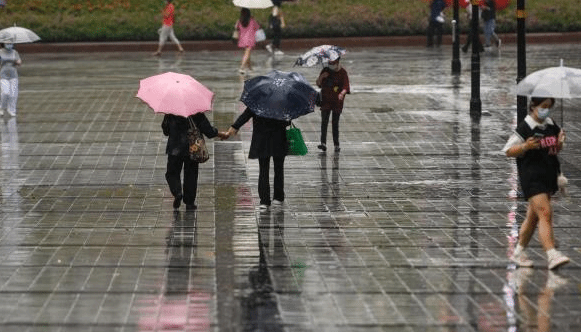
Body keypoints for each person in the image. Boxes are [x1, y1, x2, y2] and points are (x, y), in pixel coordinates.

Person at [502, 97, 570, 270]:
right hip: (532, 178)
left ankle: (518, 252)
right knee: (546, 213)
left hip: (547, 176)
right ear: (533, 106)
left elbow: (553, 149)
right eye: (543, 106)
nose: (546, 110)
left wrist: (560, 142)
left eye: (549, 107)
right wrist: (525, 146)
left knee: (533, 217)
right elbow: (508, 151)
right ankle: (551, 254)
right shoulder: (525, 127)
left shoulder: (550, 124)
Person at [226, 107, 290, 210]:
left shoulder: (258, 100)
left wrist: (235, 127)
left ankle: (264, 201)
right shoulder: (282, 101)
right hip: (279, 138)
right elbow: (288, 121)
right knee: (278, 168)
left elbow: (246, 114)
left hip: (262, 138)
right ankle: (278, 197)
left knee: (263, 169)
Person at [162, 113, 227, 210]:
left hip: (174, 149)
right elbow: (208, 130)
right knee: (191, 174)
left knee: (172, 173)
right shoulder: (196, 112)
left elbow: (166, 131)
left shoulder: (170, 112)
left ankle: (177, 192)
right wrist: (219, 133)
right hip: (192, 147)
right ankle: (189, 202)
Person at [316, 57, 350, 153]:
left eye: (333, 62)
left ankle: (336, 144)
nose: (331, 64)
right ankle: (323, 143)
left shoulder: (343, 72)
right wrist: (322, 76)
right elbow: (318, 83)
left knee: (335, 123)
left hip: (337, 102)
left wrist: (342, 93)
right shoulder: (326, 70)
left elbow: (346, 86)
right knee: (324, 122)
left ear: (337, 62)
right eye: (329, 62)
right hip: (326, 100)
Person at [235, 8, 260, 74]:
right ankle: (242, 67)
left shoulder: (239, 21)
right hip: (250, 39)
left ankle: (249, 67)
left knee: (247, 53)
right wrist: (255, 19)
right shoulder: (252, 20)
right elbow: (257, 27)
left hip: (242, 39)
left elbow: (236, 28)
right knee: (247, 53)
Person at [0, 41, 22, 117]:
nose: (9, 45)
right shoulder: (1, 52)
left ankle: (12, 109)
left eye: (10, 43)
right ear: (4, 43)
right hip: (3, 75)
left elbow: (19, 61)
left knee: (13, 94)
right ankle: (2, 107)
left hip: (13, 75)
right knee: (5, 92)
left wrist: (17, 62)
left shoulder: (14, 52)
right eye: (7, 43)